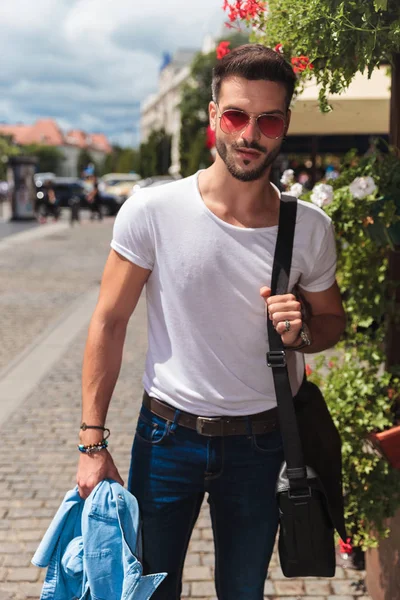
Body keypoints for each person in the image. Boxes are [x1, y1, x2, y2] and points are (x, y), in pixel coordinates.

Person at [76, 44, 346, 599]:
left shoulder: (310, 228)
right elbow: (108, 322)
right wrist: (91, 442)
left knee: (243, 591)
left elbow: (332, 321)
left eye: (268, 120)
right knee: (148, 589)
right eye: (236, 115)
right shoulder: (154, 211)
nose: (250, 134)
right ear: (213, 115)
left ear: (285, 125)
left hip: (263, 442)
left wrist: (305, 333)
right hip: (165, 438)